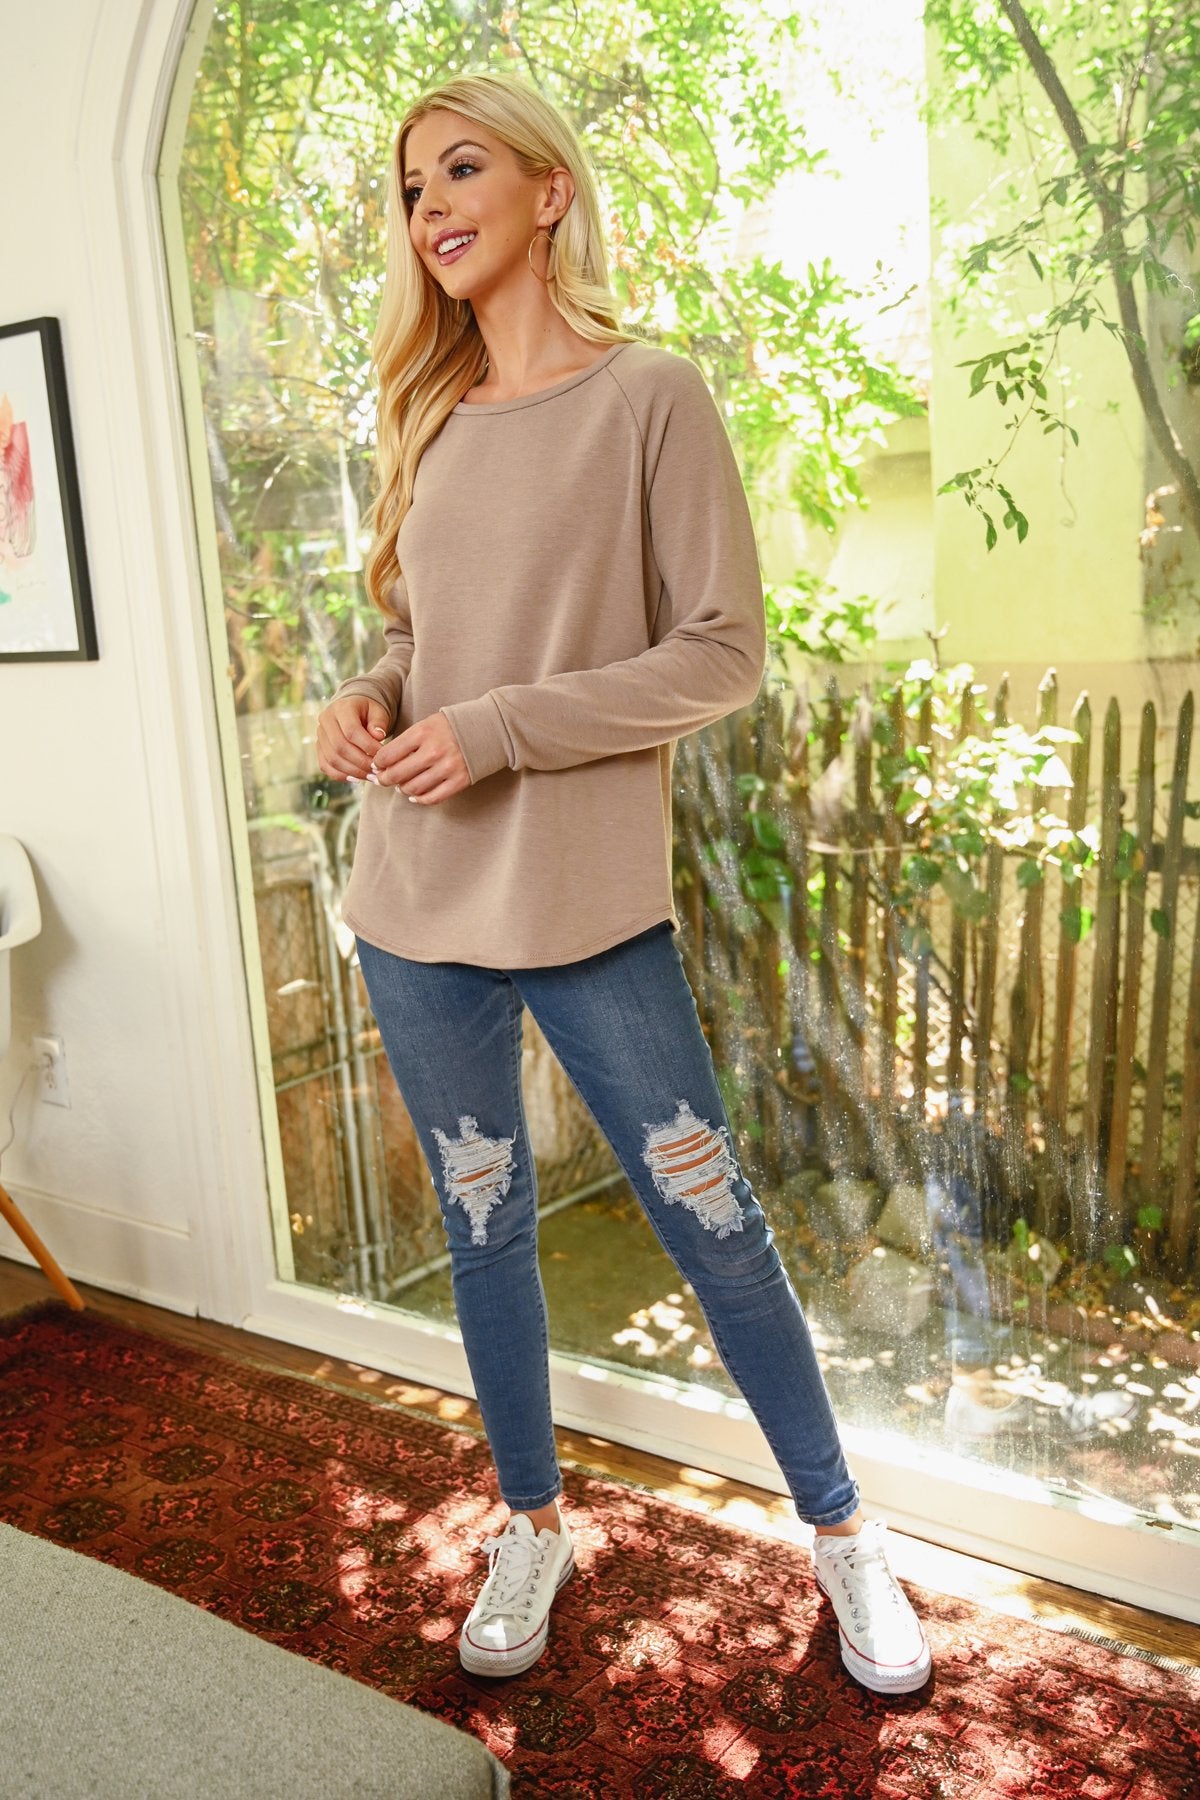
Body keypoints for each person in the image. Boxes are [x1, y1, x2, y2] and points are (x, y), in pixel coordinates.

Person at [316, 69, 931, 1698]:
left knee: (715, 1223)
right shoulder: (428, 414)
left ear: (550, 191)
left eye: (461, 170)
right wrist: (368, 699)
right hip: (415, 903)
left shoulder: (653, 395)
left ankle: (845, 1533)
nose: (430, 208)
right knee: (485, 1229)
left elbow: (723, 654)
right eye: (410, 188)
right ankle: (532, 1521)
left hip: (587, 906)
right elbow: (422, 640)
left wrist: (499, 729)